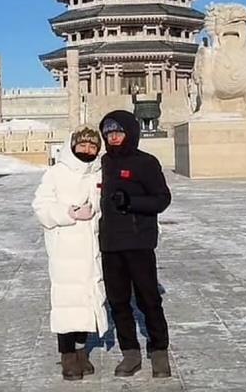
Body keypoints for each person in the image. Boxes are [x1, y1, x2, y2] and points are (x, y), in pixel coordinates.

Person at [98, 110, 172, 379]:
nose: (114, 137)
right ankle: (130, 352)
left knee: (149, 299)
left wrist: (131, 202)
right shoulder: (102, 163)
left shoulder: (146, 163)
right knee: (118, 301)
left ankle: (159, 350)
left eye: (118, 132)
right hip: (110, 244)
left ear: (130, 132)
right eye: (109, 133)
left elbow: (162, 199)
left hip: (139, 242)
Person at [32, 126, 107, 381]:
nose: (87, 150)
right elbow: (41, 206)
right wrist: (69, 213)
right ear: (73, 146)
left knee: (87, 299)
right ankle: (67, 355)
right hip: (65, 248)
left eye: (92, 146)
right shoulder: (56, 173)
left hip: (91, 247)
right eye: (83, 145)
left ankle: (81, 351)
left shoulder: (97, 172)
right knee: (66, 302)